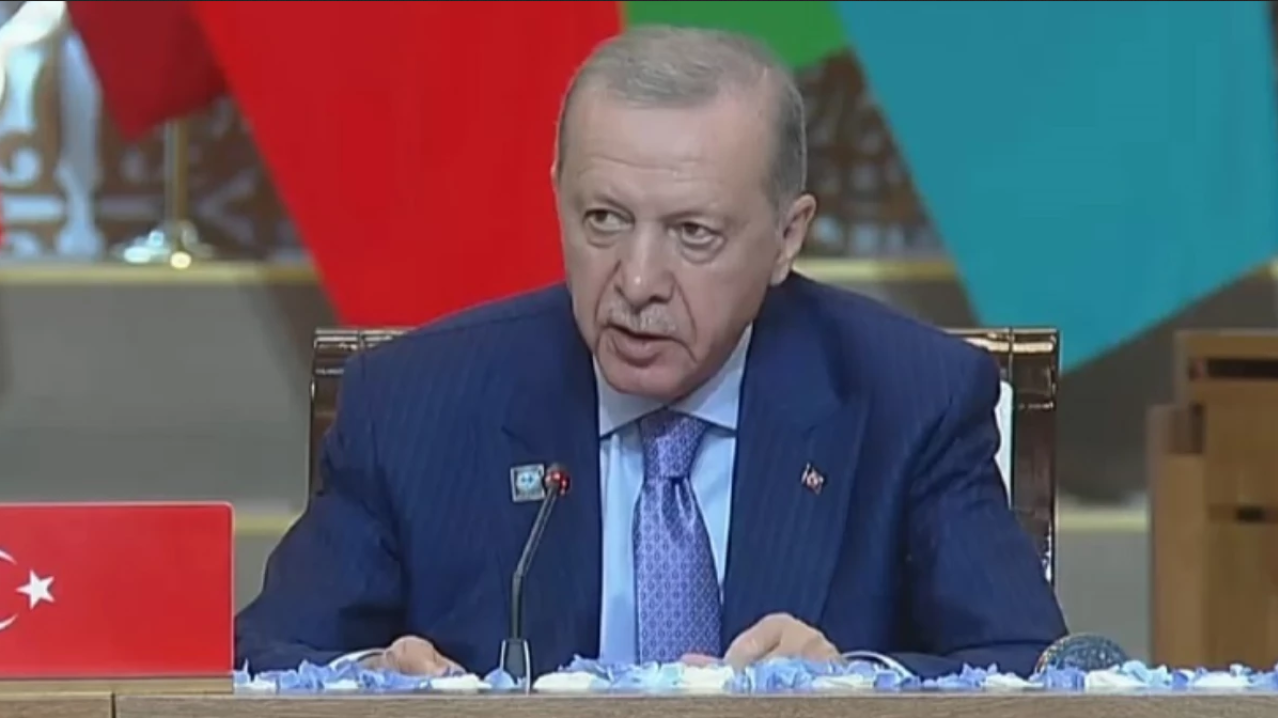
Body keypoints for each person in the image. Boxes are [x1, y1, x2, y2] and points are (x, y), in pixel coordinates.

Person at [235, 25, 1067, 680]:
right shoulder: (412, 405)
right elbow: (263, 662)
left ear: (787, 237)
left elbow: (1032, 673)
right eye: (603, 220)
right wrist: (366, 681)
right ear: (558, 196)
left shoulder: (909, 400)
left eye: (693, 233)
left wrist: (856, 683)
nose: (636, 281)